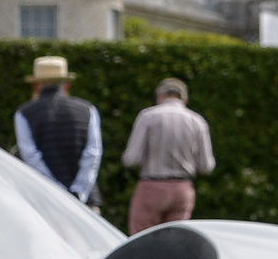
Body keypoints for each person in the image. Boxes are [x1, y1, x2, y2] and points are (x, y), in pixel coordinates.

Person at [121, 75, 215, 233]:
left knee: (142, 239)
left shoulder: (148, 116)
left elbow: (131, 159)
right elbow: (207, 166)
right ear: (184, 98)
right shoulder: (197, 121)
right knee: (174, 240)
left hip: (152, 185)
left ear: (160, 95)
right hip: (182, 189)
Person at [13, 54, 101, 208]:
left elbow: (31, 156)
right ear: (67, 84)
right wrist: (79, 191)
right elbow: (92, 153)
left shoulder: (24, 113)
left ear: (36, 85)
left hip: (42, 200)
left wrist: (55, 189)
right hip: (86, 201)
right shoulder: (88, 109)